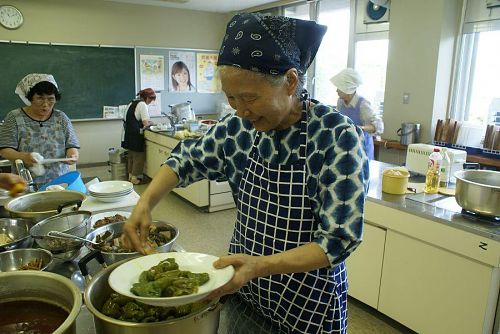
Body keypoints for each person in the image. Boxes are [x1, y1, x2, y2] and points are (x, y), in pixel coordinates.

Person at [124, 13, 369, 333]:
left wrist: (260, 266)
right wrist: (145, 204)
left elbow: (339, 239)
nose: (240, 110)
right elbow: (187, 158)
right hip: (245, 292)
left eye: (250, 98)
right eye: (231, 98)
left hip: (308, 308)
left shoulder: (336, 136)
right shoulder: (239, 127)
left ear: (291, 81)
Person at [0, 73, 80, 186]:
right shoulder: (14, 117)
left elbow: (71, 145)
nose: (46, 104)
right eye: (40, 98)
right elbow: (5, 150)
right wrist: (24, 157)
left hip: (60, 182)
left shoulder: (61, 117)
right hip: (25, 183)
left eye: (51, 99)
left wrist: (72, 154)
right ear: (30, 98)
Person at [330, 68, 384, 160]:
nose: (336, 91)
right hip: (346, 147)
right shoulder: (340, 102)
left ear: (347, 88)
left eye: (339, 87)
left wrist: (360, 128)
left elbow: (378, 127)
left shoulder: (363, 104)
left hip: (362, 150)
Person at [121, 88, 156, 185]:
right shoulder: (142, 104)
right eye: (151, 99)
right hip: (136, 134)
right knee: (139, 157)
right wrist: (152, 123)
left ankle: (130, 176)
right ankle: (134, 179)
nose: (151, 101)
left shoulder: (132, 102)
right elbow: (146, 123)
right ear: (147, 97)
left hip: (128, 133)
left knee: (131, 156)